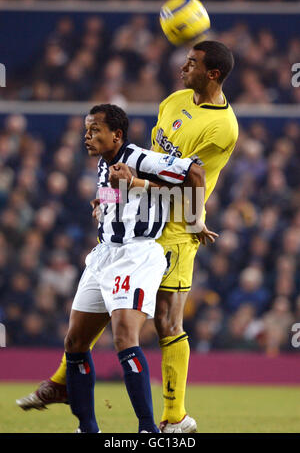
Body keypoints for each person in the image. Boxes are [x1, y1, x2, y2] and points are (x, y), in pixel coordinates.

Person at [17, 40, 238, 433]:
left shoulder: (223, 128)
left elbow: (189, 178)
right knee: (106, 318)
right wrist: (109, 199)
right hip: (139, 217)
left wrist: (191, 219)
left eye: (191, 63)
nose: (182, 67)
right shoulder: (174, 102)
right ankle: (66, 385)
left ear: (213, 73)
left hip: (176, 229)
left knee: (167, 321)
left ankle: (170, 418)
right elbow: (144, 164)